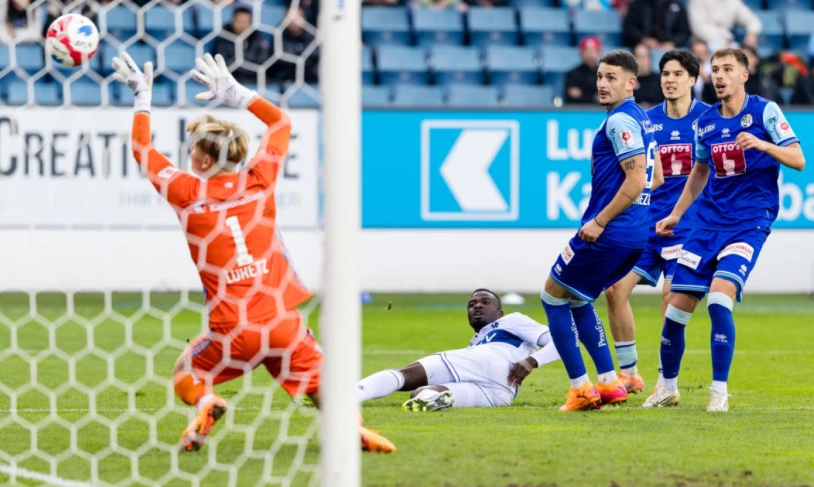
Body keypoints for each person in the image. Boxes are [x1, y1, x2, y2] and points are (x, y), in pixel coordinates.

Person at [112, 51, 396, 452]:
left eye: (192, 149)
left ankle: (207, 402)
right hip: (282, 320)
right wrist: (236, 93)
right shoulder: (260, 181)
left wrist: (142, 98)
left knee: (183, 372)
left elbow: (142, 149)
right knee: (323, 384)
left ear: (205, 160)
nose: (188, 153)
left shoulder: (187, 193)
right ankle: (349, 427)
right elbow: (281, 122)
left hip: (233, 329)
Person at [648, 48, 805, 411]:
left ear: (744, 75)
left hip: (748, 222)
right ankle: (667, 388)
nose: (719, 76)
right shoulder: (705, 123)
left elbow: (798, 159)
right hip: (706, 223)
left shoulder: (765, 111)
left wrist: (763, 143)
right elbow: (699, 173)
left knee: (719, 299)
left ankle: (718, 393)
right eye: (715, 69)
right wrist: (676, 214)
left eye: (727, 69)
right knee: (675, 310)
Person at [542, 50, 655, 412]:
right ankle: (608, 383)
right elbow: (657, 175)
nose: (603, 84)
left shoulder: (620, 121)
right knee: (577, 298)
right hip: (635, 233)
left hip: (611, 231)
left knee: (552, 296)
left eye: (612, 78)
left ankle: (580, 388)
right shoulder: (643, 119)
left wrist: (600, 220)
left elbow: (637, 179)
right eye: (601, 76)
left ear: (631, 82)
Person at [604, 50, 709, 394]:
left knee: (670, 296)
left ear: (692, 80)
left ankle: (666, 381)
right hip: (648, 226)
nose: (669, 79)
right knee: (615, 290)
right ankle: (631, 374)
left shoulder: (708, 120)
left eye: (678, 74)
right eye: (665, 73)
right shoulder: (645, 122)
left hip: (688, 227)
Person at [357, 289, 560, 411]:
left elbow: (562, 341)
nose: (477, 306)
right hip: (502, 393)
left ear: (500, 313)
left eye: (485, 302)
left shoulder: (511, 320)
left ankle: (352, 394)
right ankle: (432, 399)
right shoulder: (476, 341)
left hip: (489, 360)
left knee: (406, 375)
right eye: (472, 304)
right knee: (420, 395)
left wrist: (532, 361)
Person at [211, 6, 273, 84]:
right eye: (239, 21)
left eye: (245, 22)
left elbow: (264, 63)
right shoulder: (221, 41)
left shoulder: (260, 40)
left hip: (255, 82)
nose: (242, 25)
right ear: (232, 21)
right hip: (231, 83)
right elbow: (223, 66)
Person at [687, 0, 760, 52]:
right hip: (703, 42)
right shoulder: (697, 1)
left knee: (746, 55)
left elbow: (753, 21)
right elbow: (699, 29)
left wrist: (752, 33)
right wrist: (723, 42)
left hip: (728, 43)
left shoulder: (733, 2)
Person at [622, 0, 691, 50]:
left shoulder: (678, 7)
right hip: (643, 45)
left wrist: (673, 43)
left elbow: (684, 32)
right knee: (641, 51)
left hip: (669, 46)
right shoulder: (638, 5)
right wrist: (643, 39)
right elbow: (629, 28)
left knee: (673, 54)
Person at [565, 36, 601, 105]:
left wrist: (582, 95)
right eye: (587, 51)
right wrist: (595, 98)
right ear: (581, 53)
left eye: (593, 51)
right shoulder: (572, 74)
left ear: (599, 53)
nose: (590, 54)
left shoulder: (605, 74)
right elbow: (570, 98)